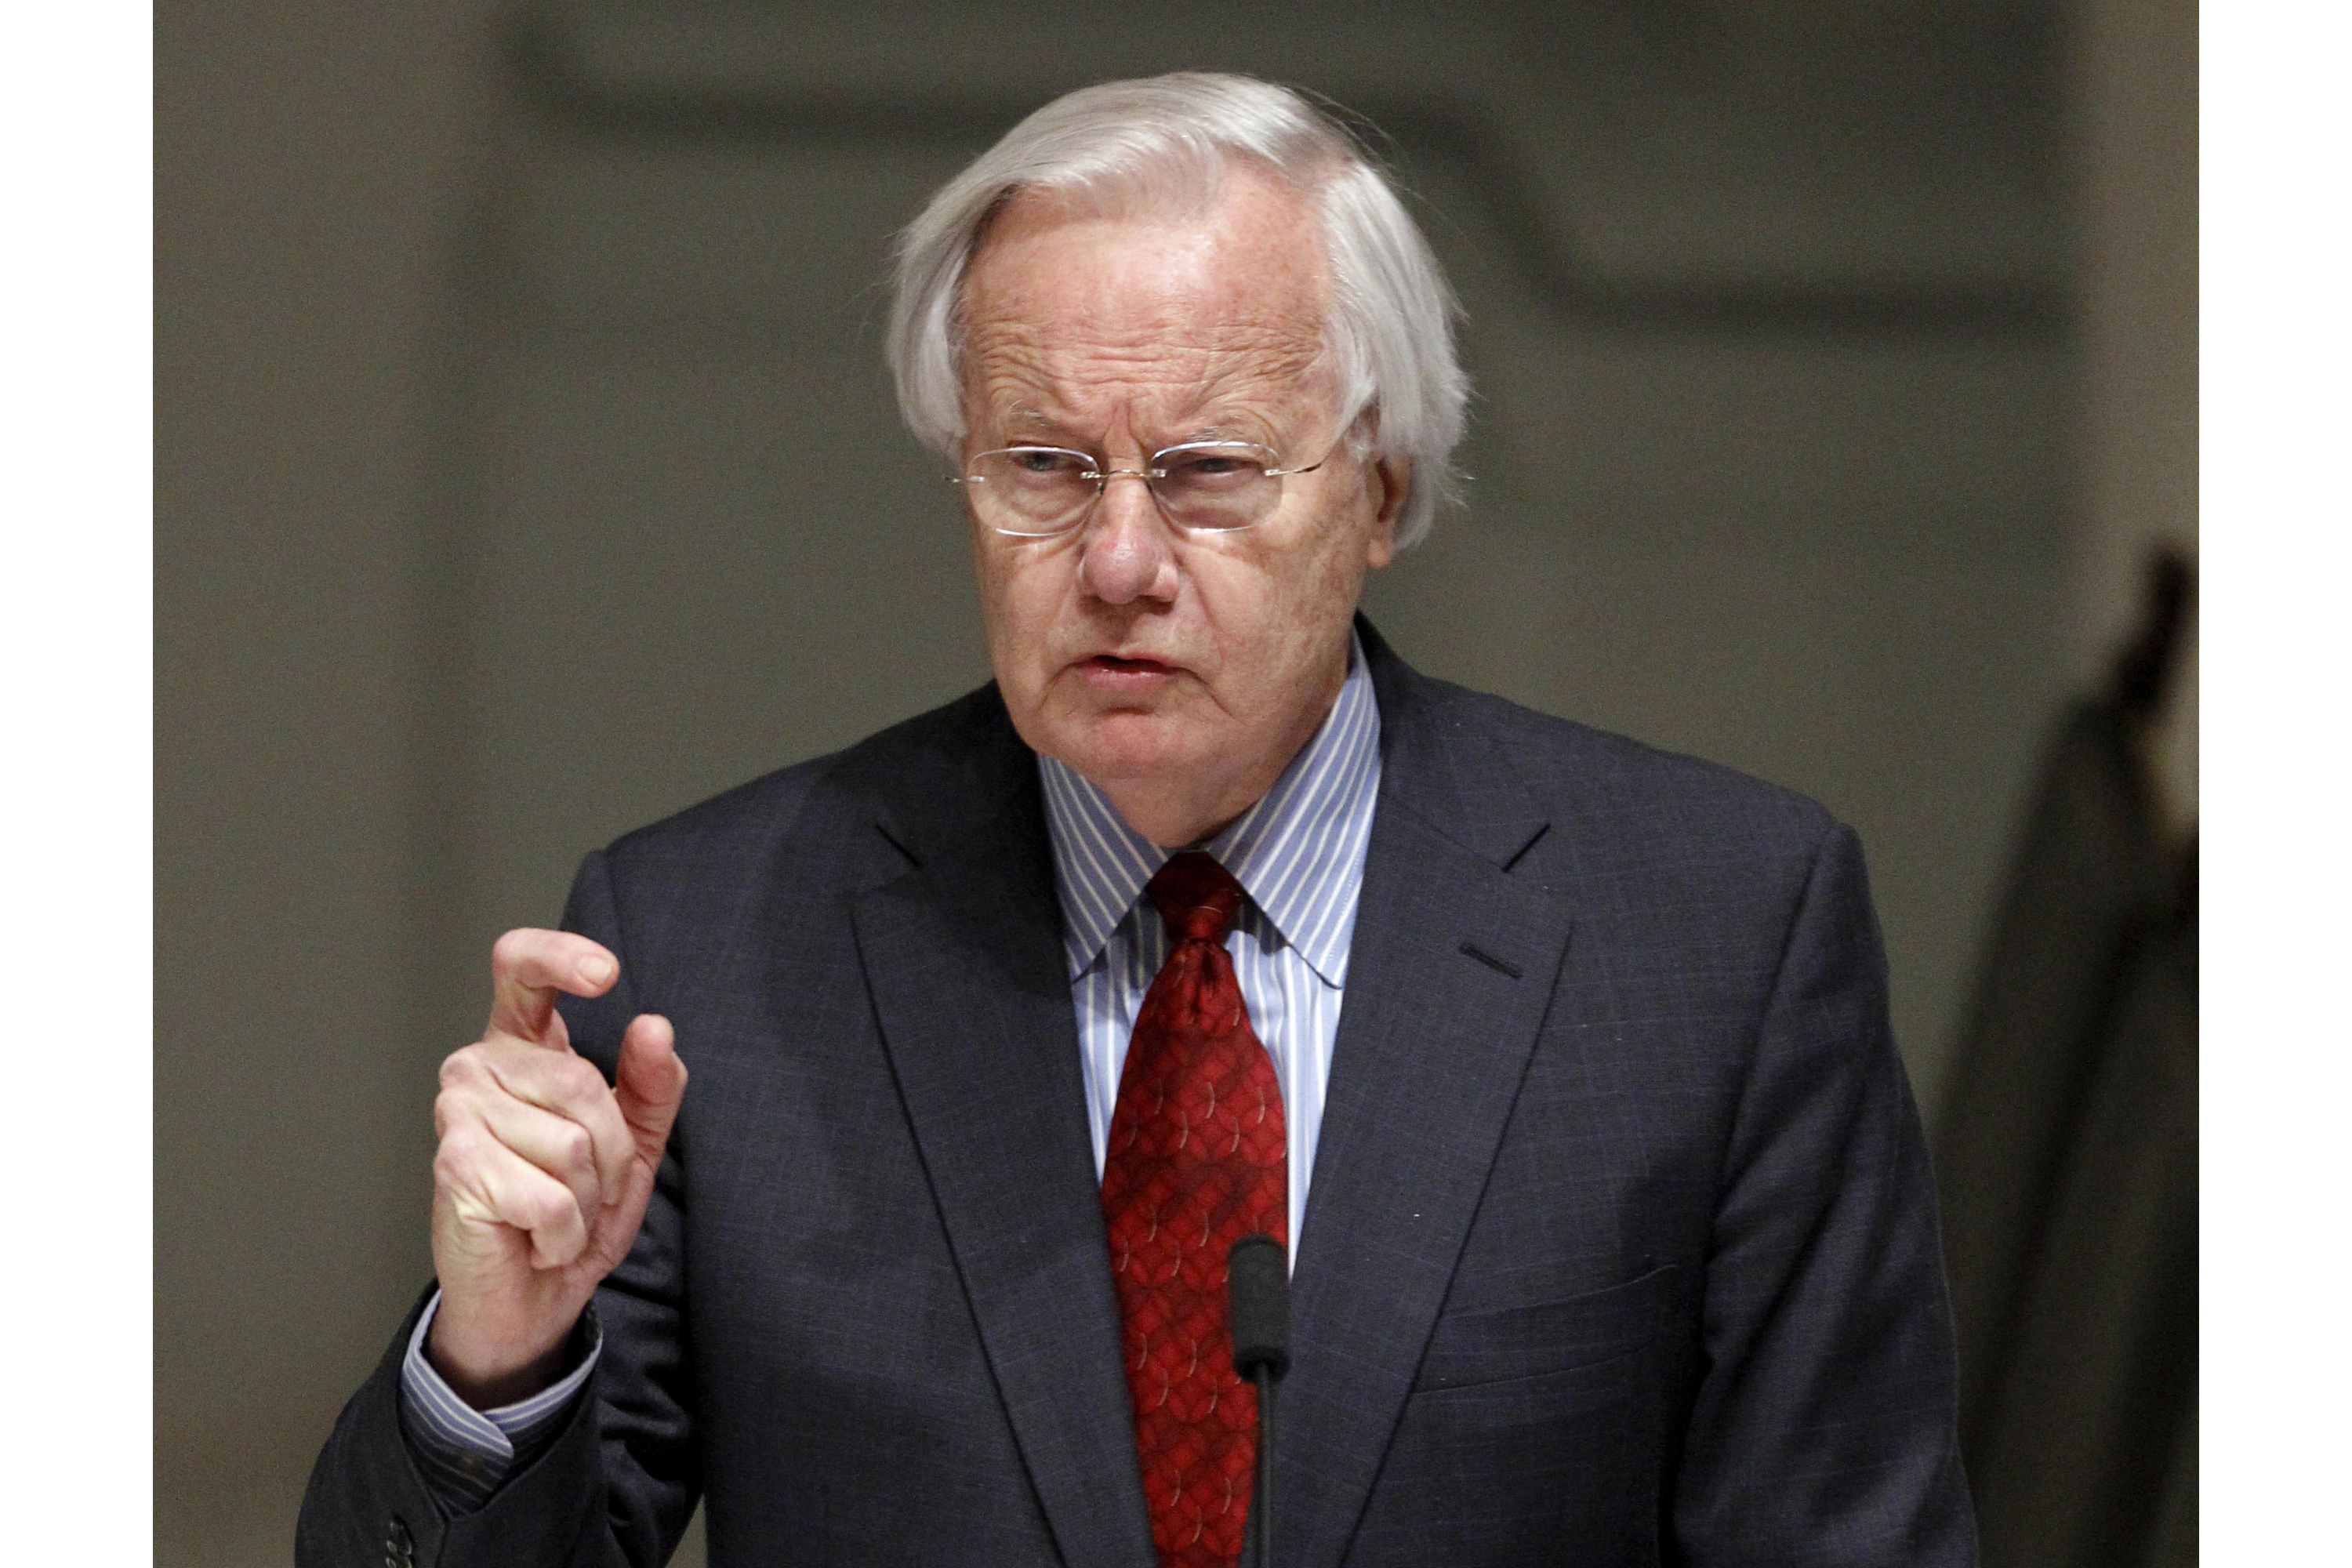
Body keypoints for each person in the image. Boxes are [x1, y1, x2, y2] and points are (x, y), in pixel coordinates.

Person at [299, 72, 1975, 1568]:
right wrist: (495, 1358)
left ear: (1383, 486)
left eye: (1206, 470)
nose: (1115, 560)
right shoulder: (709, 948)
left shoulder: (1715, 937)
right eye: (1042, 465)